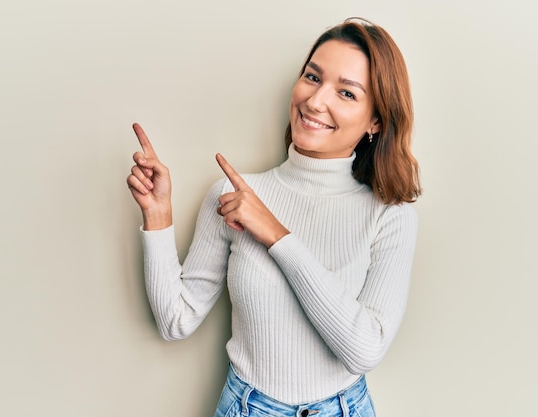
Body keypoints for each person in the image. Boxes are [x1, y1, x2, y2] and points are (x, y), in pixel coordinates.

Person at [127, 17, 421, 417]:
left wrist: (275, 234)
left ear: (376, 121)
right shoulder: (232, 196)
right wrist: (157, 214)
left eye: (347, 93)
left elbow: (365, 349)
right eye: (312, 77)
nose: (316, 102)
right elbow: (175, 321)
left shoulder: (390, 215)